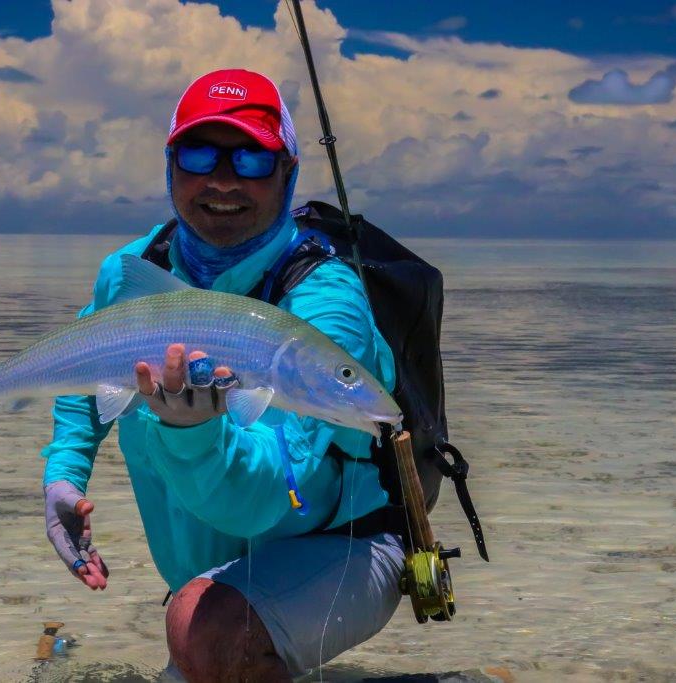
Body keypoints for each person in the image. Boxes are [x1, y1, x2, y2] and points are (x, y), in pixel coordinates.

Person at [41, 68, 405, 681]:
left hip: (343, 549)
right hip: (209, 576)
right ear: (170, 166)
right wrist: (64, 472)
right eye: (199, 152)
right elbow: (85, 355)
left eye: (252, 160)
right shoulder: (133, 270)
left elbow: (261, 503)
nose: (222, 180)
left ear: (288, 172)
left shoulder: (326, 306)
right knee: (199, 631)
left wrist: (191, 434)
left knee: (202, 631)